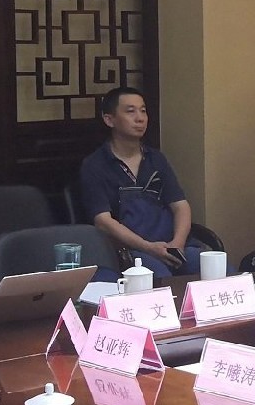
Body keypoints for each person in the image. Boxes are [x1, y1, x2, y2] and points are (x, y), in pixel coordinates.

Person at [77, 86, 203, 279]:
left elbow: (180, 206)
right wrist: (148, 247)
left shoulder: (156, 159)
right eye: (131, 111)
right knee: (158, 278)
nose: (140, 118)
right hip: (130, 252)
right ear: (109, 119)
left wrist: (177, 243)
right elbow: (103, 221)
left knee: (218, 268)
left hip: (171, 246)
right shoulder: (95, 165)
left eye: (143, 111)